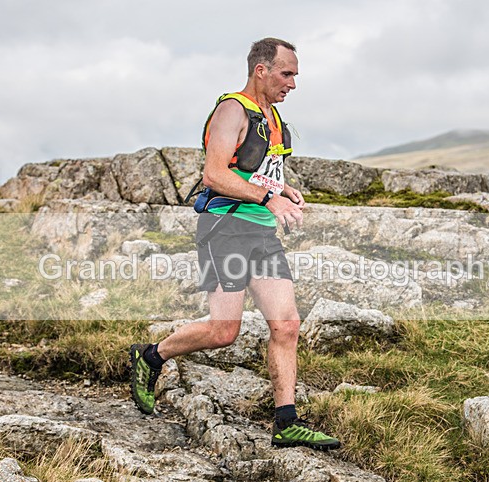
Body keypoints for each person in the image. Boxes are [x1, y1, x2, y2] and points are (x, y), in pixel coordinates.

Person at [129, 37, 340, 451]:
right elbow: (214, 174)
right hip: (224, 228)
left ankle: (286, 422)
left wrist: (285, 190)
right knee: (224, 331)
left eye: (295, 75)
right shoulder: (232, 110)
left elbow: (256, 172)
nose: (293, 83)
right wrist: (268, 198)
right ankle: (152, 356)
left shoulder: (273, 117)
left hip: (261, 232)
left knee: (286, 325)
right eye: (287, 73)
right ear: (260, 70)